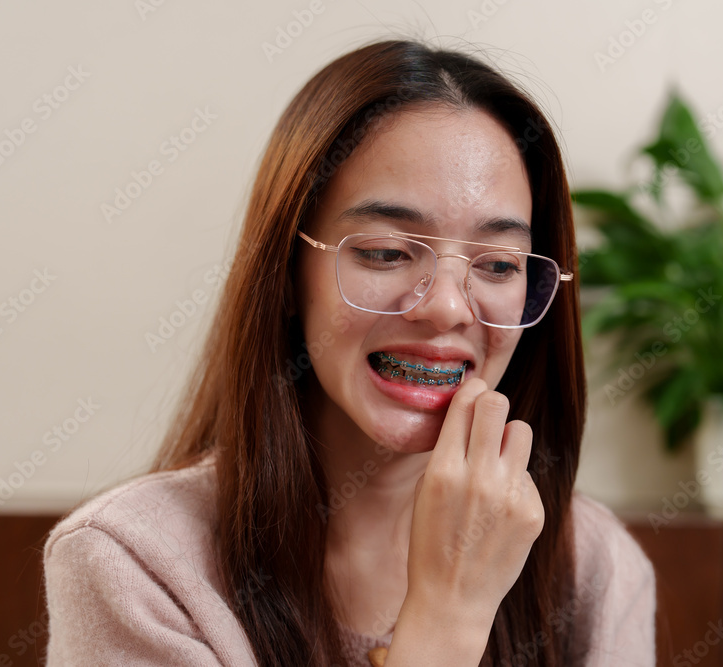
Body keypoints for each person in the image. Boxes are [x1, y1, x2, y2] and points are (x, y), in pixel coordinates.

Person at [42, 39, 656, 666]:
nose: (446, 307)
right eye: (386, 252)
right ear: (284, 273)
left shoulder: (599, 573)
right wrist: (448, 617)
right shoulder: (134, 567)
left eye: (499, 264)